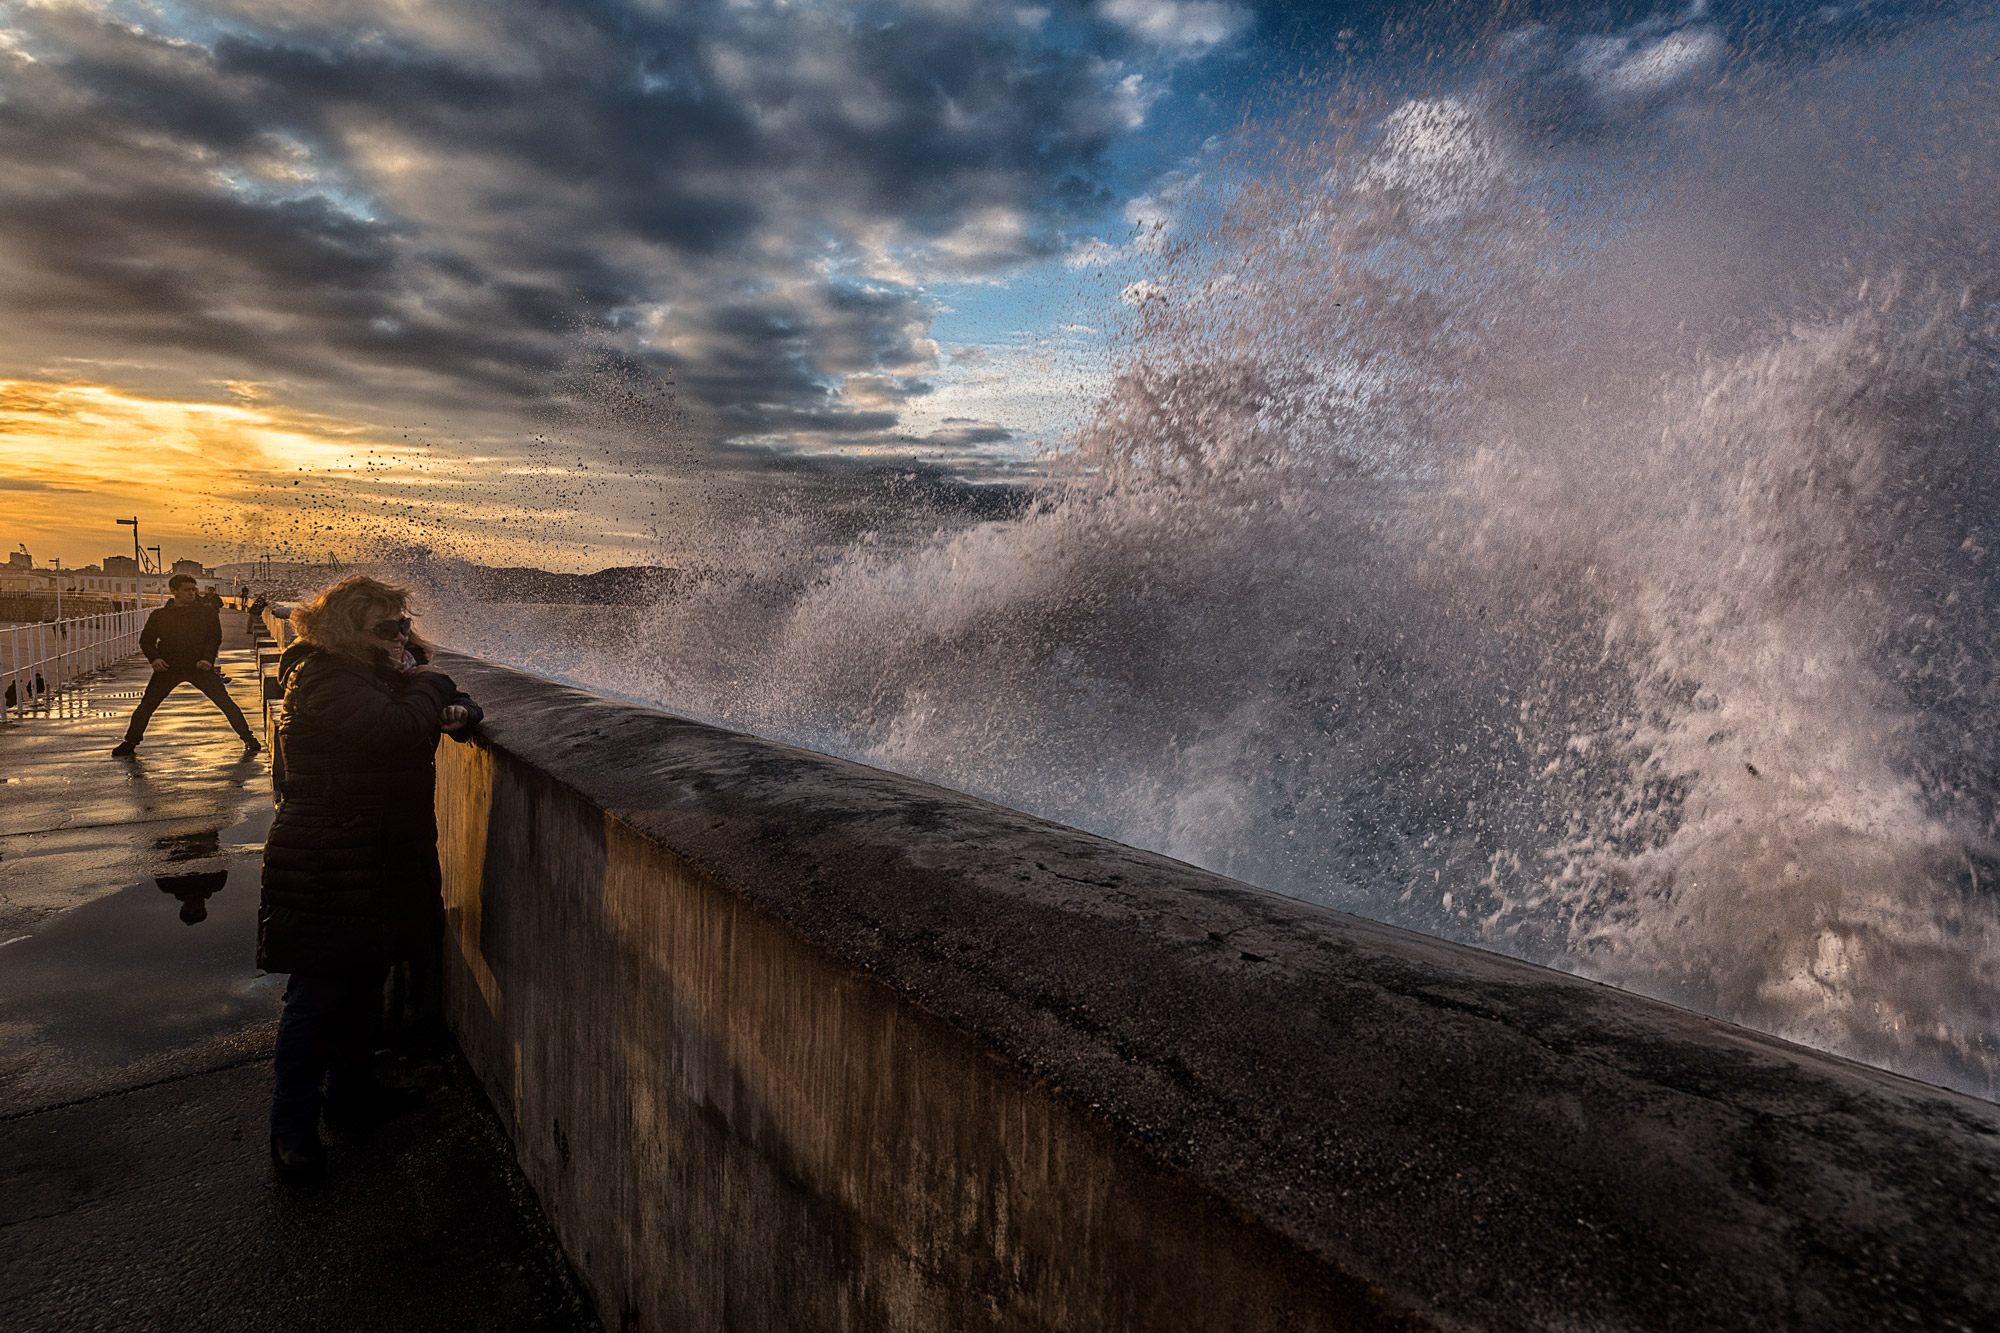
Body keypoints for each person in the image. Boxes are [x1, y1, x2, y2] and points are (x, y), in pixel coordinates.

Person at [258, 574, 482, 1179]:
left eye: (404, 623)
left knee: (362, 977)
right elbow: (395, 729)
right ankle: (291, 1130)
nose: (402, 633)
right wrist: (434, 688)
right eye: (388, 627)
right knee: (318, 994)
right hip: (329, 853)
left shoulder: (375, 671)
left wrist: (458, 709)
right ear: (345, 629)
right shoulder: (327, 675)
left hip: (373, 848)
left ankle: (351, 1093)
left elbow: (444, 700)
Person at [111, 574, 261, 757]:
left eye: (193, 589)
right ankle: (130, 742)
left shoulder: (207, 613)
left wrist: (207, 659)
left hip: (198, 667)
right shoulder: (160, 615)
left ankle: (248, 738)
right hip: (168, 668)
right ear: (173, 591)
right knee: (147, 705)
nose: (192, 593)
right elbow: (147, 641)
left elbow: (214, 638)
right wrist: (155, 659)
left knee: (225, 703)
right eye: (186, 590)